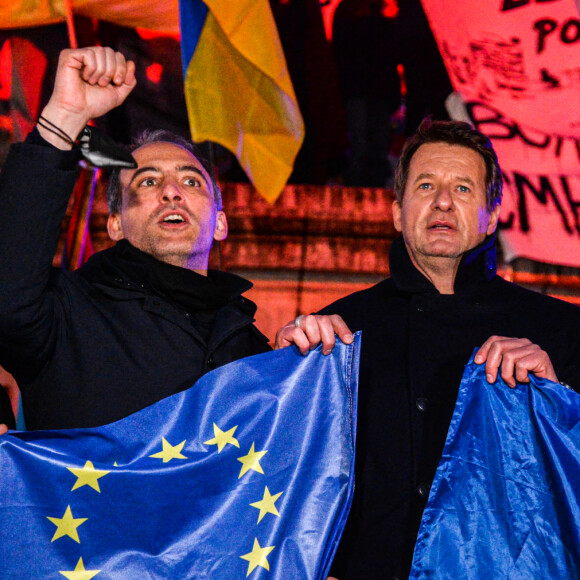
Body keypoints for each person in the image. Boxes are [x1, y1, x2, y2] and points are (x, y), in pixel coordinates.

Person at [277, 118, 580, 579]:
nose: (442, 202)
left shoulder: (560, 330)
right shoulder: (340, 330)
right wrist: (282, 374)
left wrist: (558, 395)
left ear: (491, 215)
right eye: (425, 186)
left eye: (462, 188)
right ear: (398, 212)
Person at [0, 46, 350, 433]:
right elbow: (9, 284)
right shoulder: (64, 314)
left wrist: (289, 371)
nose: (171, 192)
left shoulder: (251, 349)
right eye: (147, 181)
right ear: (115, 224)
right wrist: (64, 116)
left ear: (219, 223)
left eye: (191, 181)